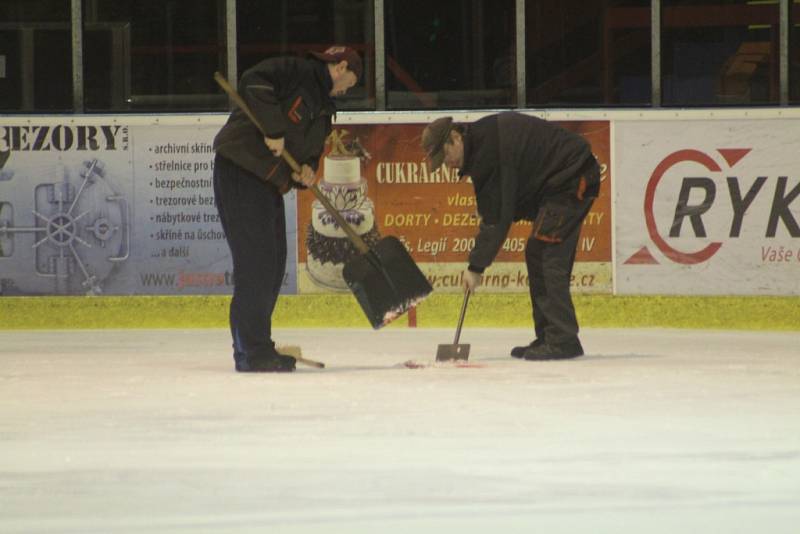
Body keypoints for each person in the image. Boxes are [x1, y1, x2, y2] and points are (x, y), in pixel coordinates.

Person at [213, 46, 361, 372]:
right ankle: (252, 352)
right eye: (349, 82)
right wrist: (273, 129)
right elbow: (253, 83)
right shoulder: (296, 71)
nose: (347, 90)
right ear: (340, 66)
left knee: (274, 263)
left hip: (268, 183)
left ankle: (253, 346)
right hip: (241, 170)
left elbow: (308, 152)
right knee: (258, 265)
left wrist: (306, 170)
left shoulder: (323, 109)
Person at [421, 112, 600, 361]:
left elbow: (497, 221)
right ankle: (550, 337)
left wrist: (476, 267)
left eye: (445, 156)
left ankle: (562, 340)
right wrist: (488, 210)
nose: (447, 165)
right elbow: (504, 198)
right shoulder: (481, 145)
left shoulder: (486, 151)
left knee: (546, 252)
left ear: (455, 138)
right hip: (557, 182)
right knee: (538, 251)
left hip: (571, 178)